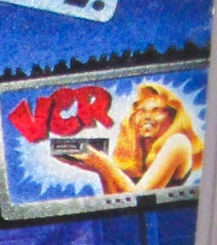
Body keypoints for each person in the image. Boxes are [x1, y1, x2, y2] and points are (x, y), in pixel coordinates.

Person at [56, 82, 203, 194]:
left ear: (173, 116)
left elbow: (139, 199)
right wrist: (100, 169)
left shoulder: (178, 143)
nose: (147, 116)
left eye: (157, 110)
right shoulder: (137, 155)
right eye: (141, 111)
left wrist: (105, 165)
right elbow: (116, 205)